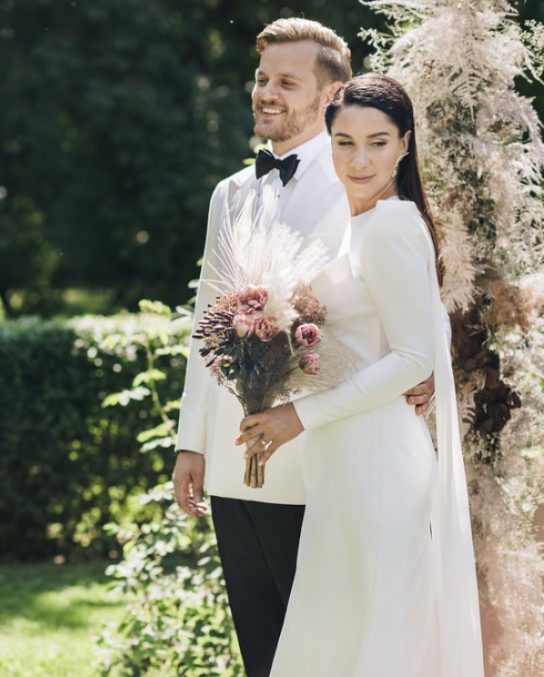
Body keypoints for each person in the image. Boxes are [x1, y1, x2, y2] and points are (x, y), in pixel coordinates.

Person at [171, 18, 435, 677]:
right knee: (261, 652)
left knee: (320, 653)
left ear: (330, 93)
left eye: (287, 82)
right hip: (232, 459)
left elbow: (416, 292)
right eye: (262, 79)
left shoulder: (360, 183)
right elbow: (208, 319)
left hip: (318, 460)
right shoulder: (229, 193)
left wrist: (430, 362)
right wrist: (191, 440)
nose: (267, 92)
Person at [236, 73, 483, 676]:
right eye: (344, 142)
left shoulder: (392, 224)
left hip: (378, 461)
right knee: (344, 633)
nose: (359, 159)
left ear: (405, 144)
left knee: (376, 638)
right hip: (344, 458)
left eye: (378, 142)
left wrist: (298, 415)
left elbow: (413, 358)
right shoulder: (360, 225)